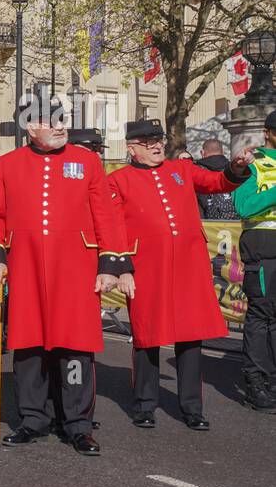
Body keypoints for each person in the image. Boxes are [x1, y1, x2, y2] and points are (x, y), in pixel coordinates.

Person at [0, 98, 134, 455]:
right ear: (30, 128)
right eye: (51, 122)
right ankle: (33, 418)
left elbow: (106, 216)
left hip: (75, 269)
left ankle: (77, 423)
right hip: (27, 266)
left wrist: (110, 265)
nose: (61, 126)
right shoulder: (8, 164)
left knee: (75, 347)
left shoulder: (87, 161)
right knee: (29, 346)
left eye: (63, 120)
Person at [107, 119, 254, 430]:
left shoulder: (182, 169)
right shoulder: (118, 180)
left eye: (158, 139)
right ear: (132, 148)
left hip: (189, 267)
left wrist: (237, 167)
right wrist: (122, 268)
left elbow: (218, 182)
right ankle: (145, 404)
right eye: (148, 142)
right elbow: (114, 228)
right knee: (147, 337)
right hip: (147, 268)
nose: (157, 145)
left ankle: (192, 408)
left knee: (190, 337)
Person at [232, 110, 276, 412]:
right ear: (268, 132)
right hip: (264, 247)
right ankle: (256, 383)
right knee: (262, 315)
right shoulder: (253, 162)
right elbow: (244, 206)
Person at [196, 138, 240, 220]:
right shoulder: (234, 169)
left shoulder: (197, 170)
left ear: (202, 152)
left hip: (207, 223)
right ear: (222, 152)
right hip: (235, 223)